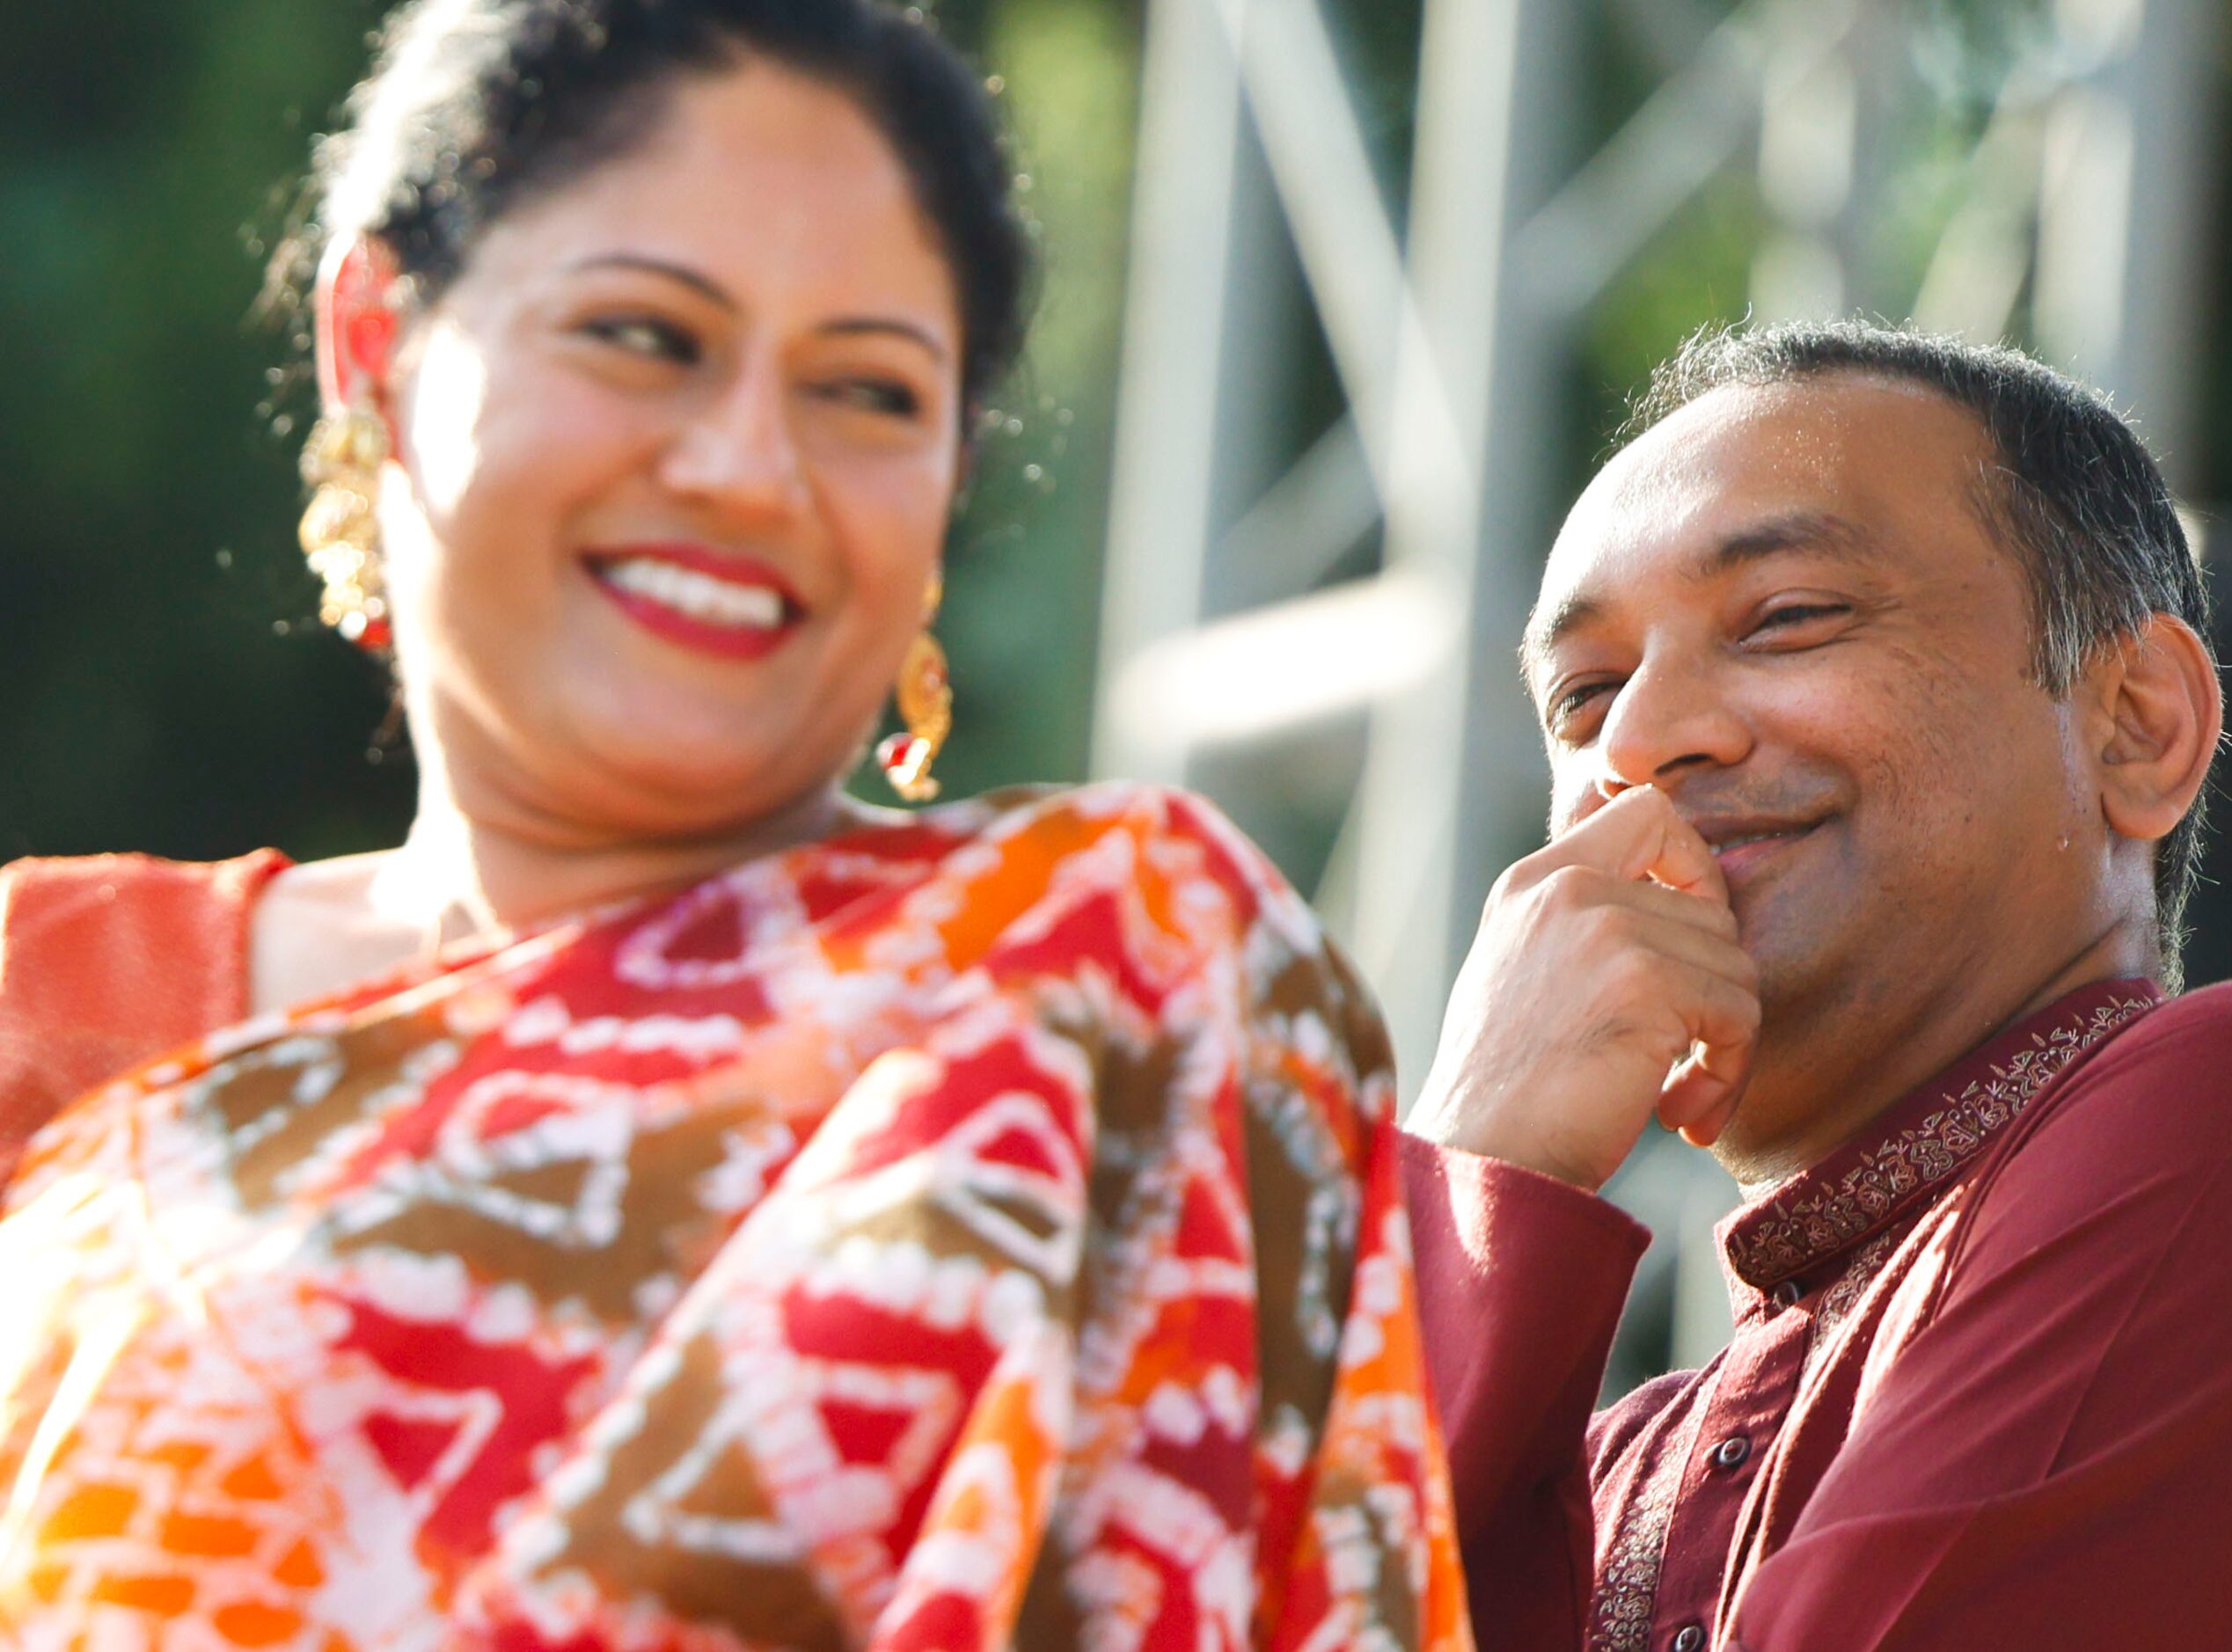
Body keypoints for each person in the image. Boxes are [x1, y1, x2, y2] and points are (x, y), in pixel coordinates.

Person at [0, 4, 1471, 1647]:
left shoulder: (1101, 989)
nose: (747, 468)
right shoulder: (42, 1005)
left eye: (866, 389)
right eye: (644, 335)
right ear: (377, 342)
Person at [1397, 321, 2232, 1649]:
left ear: (2138, 722)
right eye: (1584, 695)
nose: (1640, 742)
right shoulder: (1616, 1468)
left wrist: (1464, 1210)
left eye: (1788, 618)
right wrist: (1477, 1163)